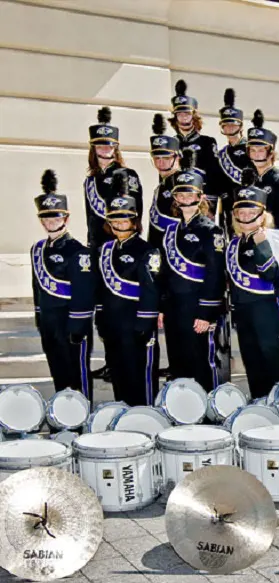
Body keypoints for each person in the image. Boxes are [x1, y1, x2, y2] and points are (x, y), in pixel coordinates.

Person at [160, 150, 228, 392]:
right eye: (180, 192)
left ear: (199, 196)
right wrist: (161, 308)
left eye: (189, 192)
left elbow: (216, 275)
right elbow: (165, 275)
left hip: (197, 308)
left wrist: (206, 313)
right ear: (175, 198)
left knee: (201, 364)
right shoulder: (170, 232)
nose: (184, 196)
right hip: (173, 309)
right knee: (178, 364)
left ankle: (208, 417)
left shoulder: (212, 231)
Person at [85, 106, 142, 382]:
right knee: (104, 314)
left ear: (116, 147)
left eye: (109, 144)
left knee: (122, 309)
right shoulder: (90, 180)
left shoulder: (126, 175)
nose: (105, 148)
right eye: (100, 144)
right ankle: (110, 361)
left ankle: (125, 361)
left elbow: (134, 213)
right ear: (94, 148)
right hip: (99, 253)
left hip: (122, 252)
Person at [96, 171, 161, 406]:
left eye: (124, 220)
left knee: (140, 377)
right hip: (113, 325)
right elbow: (101, 289)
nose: (119, 225)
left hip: (136, 325)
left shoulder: (147, 250)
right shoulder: (104, 251)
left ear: (134, 221)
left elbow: (151, 290)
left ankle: (145, 416)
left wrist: (145, 323)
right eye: (115, 221)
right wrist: (101, 319)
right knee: (119, 375)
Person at [31, 170, 94, 400]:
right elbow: (36, 288)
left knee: (77, 376)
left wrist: (78, 327)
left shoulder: (78, 251)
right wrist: (39, 317)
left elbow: (84, 293)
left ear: (66, 218)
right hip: (49, 323)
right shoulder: (37, 249)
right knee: (57, 372)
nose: (51, 222)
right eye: (46, 218)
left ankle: (82, 415)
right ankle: (63, 415)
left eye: (56, 218)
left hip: (71, 323)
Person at [225, 169, 279, 399]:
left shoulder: (271, 239)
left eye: (251, 210)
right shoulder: (234, 243)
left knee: (270, 358)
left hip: (266, 309)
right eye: (241, 209)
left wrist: (261, 245)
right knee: (251, 359)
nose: (245, 214)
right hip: (243, 311)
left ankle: (278, 403)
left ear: (262, 214)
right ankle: (259, 401)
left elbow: (271, 274)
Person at [169, 79, 224, 218]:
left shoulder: (207, 142)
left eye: (187, 114)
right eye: (180, 114)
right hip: (178, 200)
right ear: (175, 117)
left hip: (202, 198)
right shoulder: (171, 143)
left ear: (193, 115)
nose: (183, 117)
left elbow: (214, 174)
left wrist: (209, 200)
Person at [246, 109, 279, 230]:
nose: (256, 155)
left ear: (270, 153)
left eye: (261, 150)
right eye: (253, 150)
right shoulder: (250, 181)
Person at [216, 88, 251, 237]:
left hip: (248, 203)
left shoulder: (251, 148)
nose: (230, 128)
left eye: (233, 124)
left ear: (240, 126)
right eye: (226, 125)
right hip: (228, 205)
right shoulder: (222, 154)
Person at [147, 113, 181, 251]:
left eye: (166, 158)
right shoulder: (162, 185)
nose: (161, 163)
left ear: (176, 157)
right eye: (157, 158)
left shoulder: (182, 184)